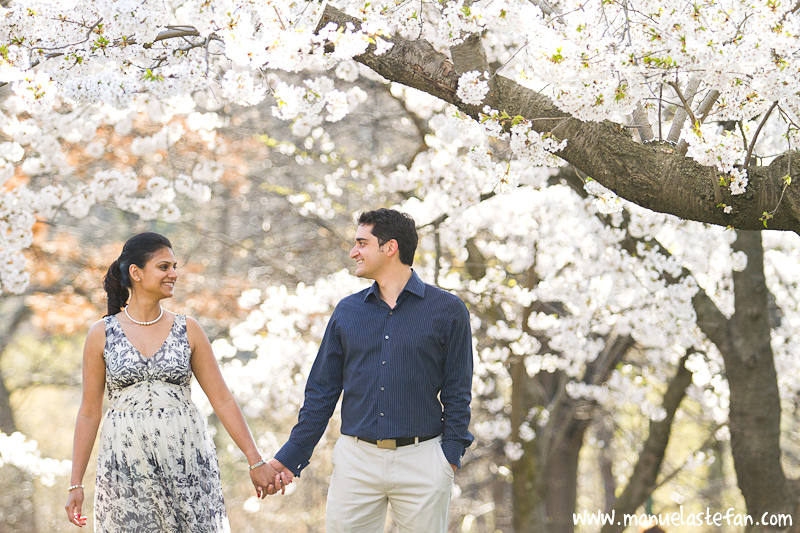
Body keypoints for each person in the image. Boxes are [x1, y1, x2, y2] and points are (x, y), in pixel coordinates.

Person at [65, 232, 289, 530]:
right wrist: (75, 483)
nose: (174, 274)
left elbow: (222, 399)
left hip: (185, 459)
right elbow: (89, 411)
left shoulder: (189, 329)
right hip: (126, 465)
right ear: (136, 273)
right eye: (164, 267)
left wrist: (255, 460)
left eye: (174, 266)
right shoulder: (101, 333)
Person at [269, 208, 474, 532]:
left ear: (390, 247)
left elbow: (458, 392)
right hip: (356, 460)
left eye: (362, 243)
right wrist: (290, 456)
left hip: (424, 460)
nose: (353, 252)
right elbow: (322, 391)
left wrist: (448, 458)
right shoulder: (347, 312)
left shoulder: (448, 310)